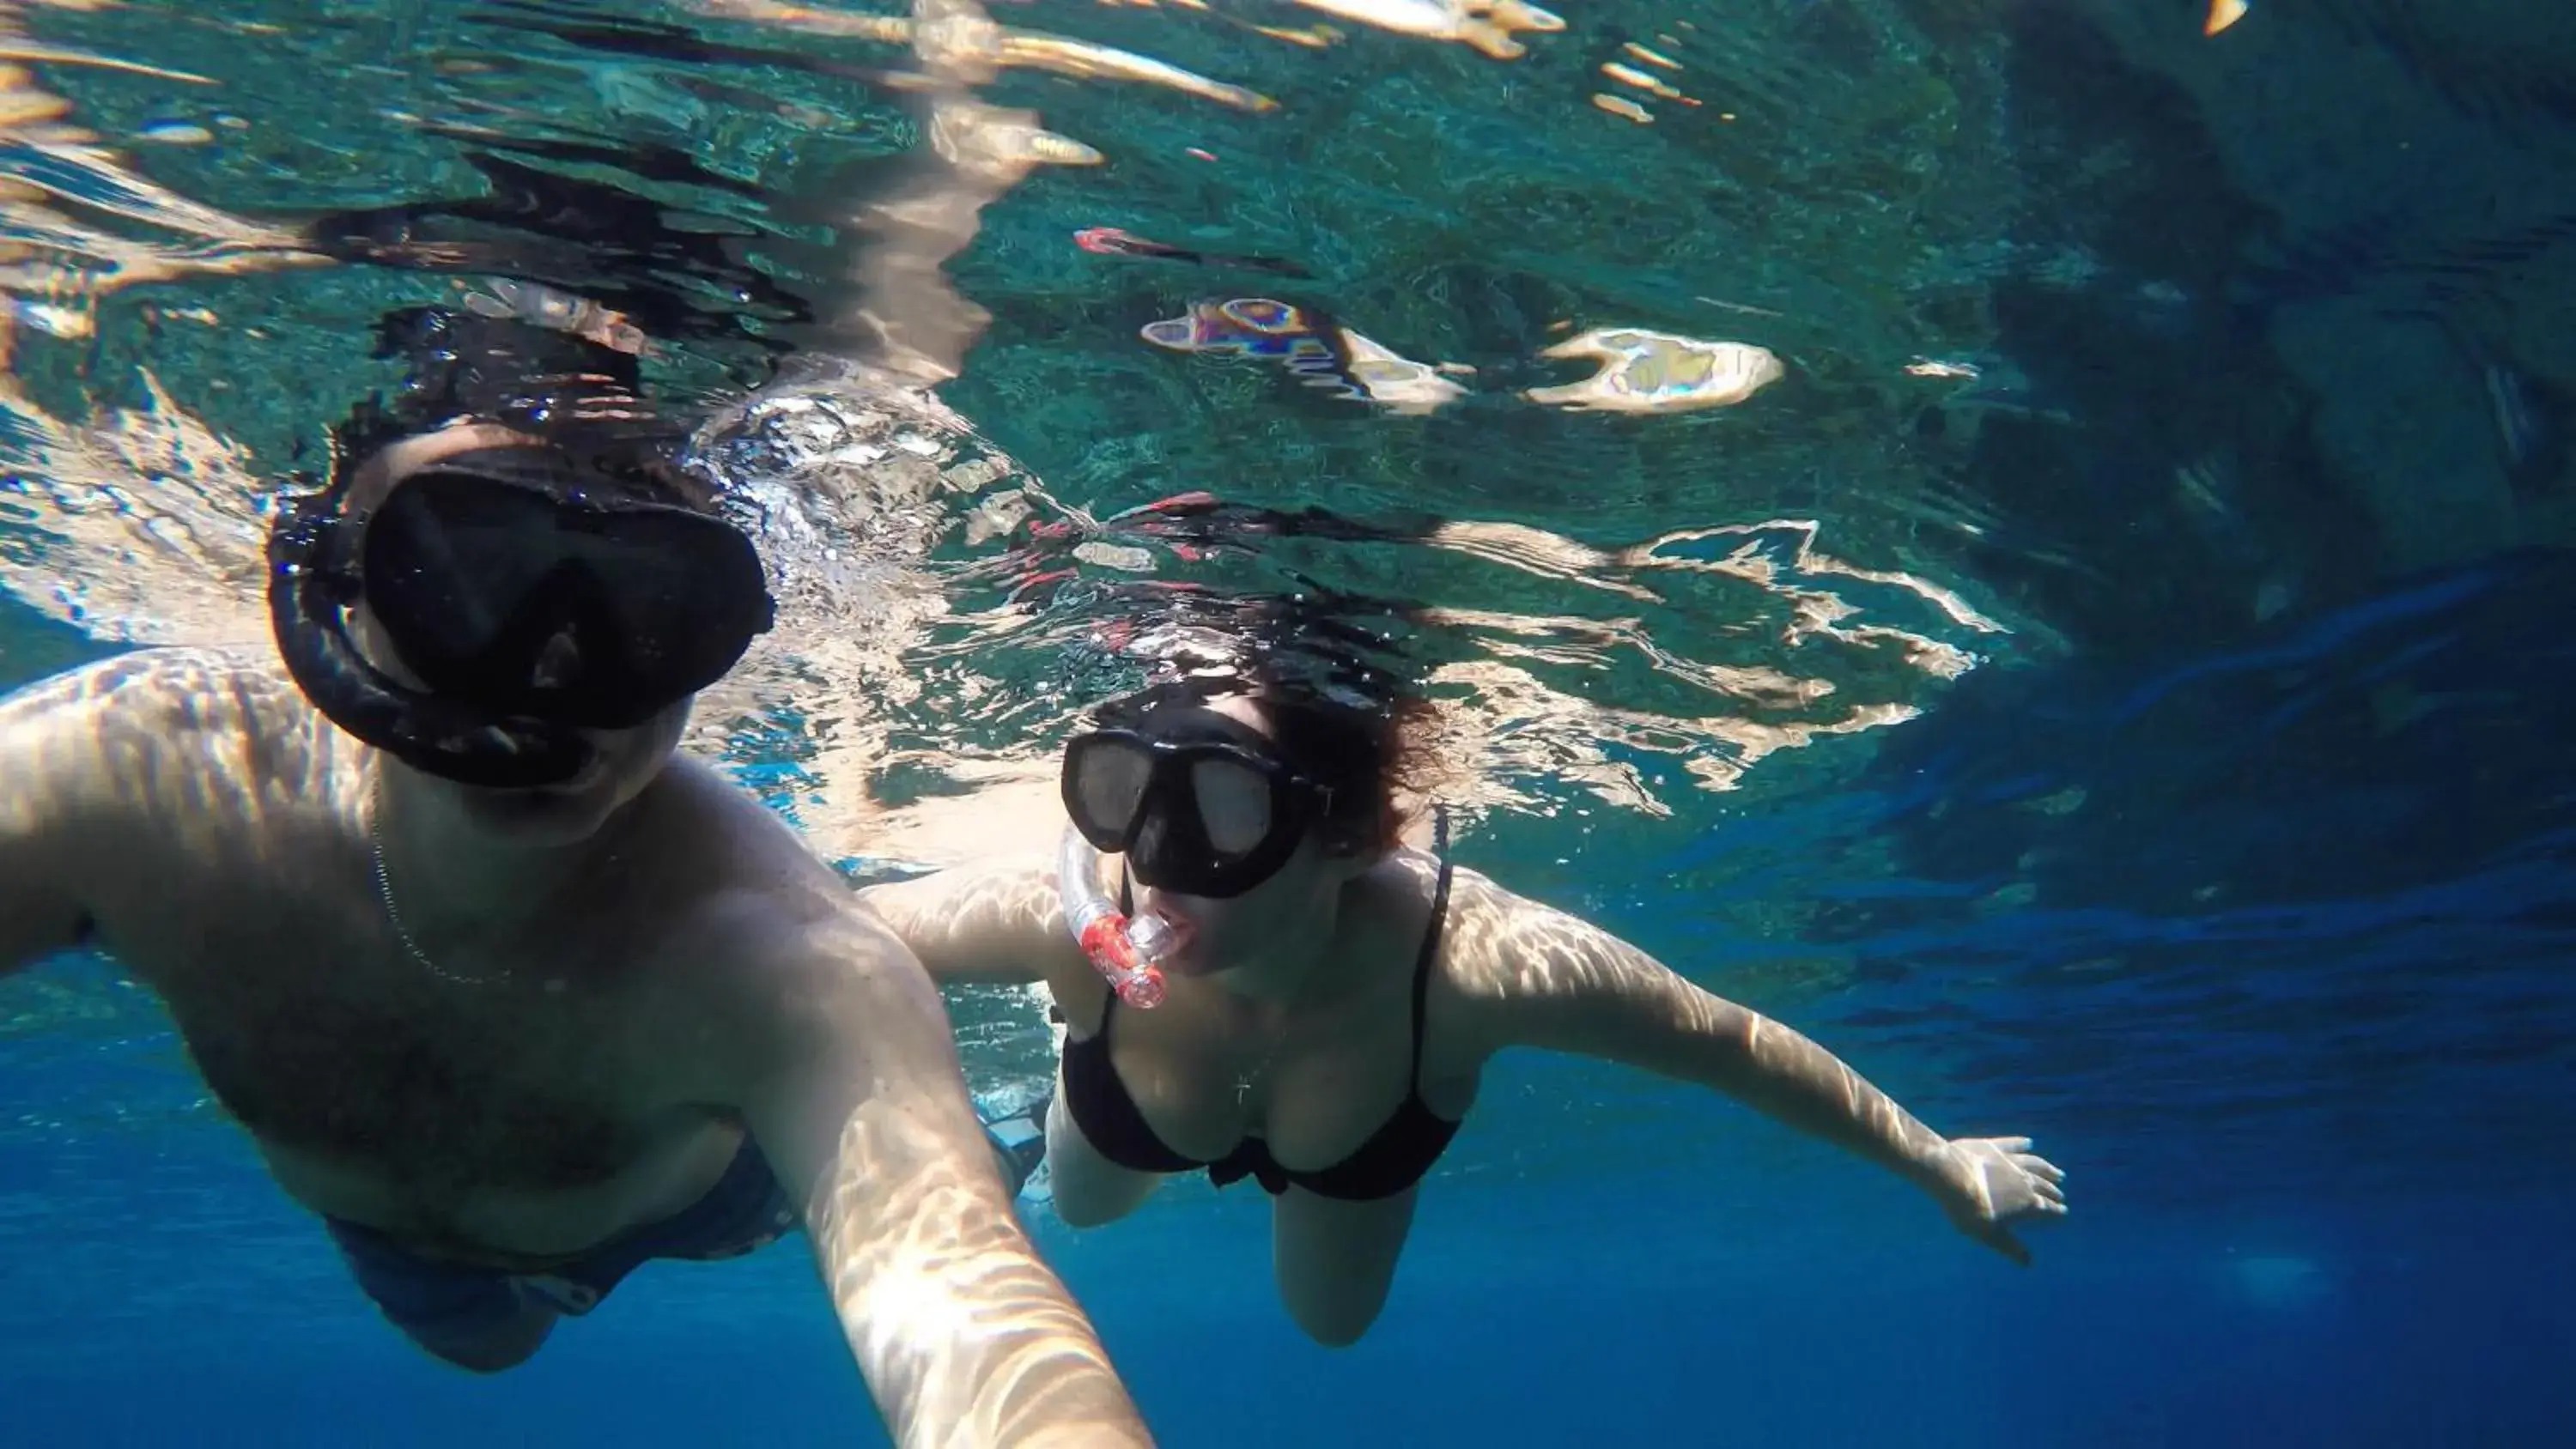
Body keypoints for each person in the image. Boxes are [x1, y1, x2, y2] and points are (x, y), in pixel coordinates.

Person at [0, 308, 1150, 1447]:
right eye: (467, 574)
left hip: (702, 1201)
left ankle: (1002, 1131)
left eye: (647, 608)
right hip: (395, 1237)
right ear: (340, 581)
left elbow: (959, 1307)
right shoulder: (126, 782)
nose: (548, 679)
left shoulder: (788, 961)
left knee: (926, 1180)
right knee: (483, 1347)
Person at [860, 637, 2070, 1349]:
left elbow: (1732, 1045)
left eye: (1227, 812)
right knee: (1093, 1205)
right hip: (1130, 1086)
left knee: (1328, 1325)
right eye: (1129, 800)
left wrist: (1938, 1162)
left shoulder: (1473, 967)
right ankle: (1056, 1076)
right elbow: (814, 935)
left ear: (1347, 839)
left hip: (1362, 1115)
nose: (1157, 864)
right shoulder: (1066, 914)